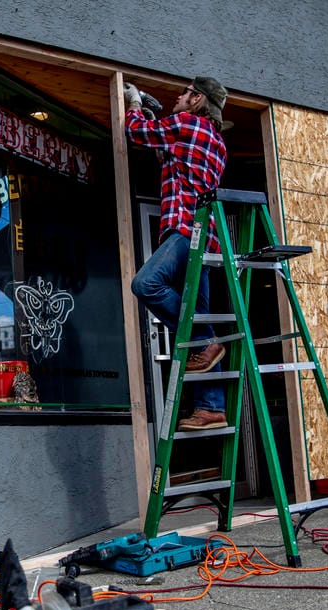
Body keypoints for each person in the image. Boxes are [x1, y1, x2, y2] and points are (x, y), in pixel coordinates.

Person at [124, 77, 229, 431]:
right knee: (198, 314)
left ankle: (205, 342)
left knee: (146, 284)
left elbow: (138, 133)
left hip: (185, 231)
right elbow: (167, 152)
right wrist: (159, 114)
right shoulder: (215, 140)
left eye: (183, 94)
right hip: (207, 241)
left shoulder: (185, 124)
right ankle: (212, 406)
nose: (177, 97)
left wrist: (136, 107)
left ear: (197, 99)